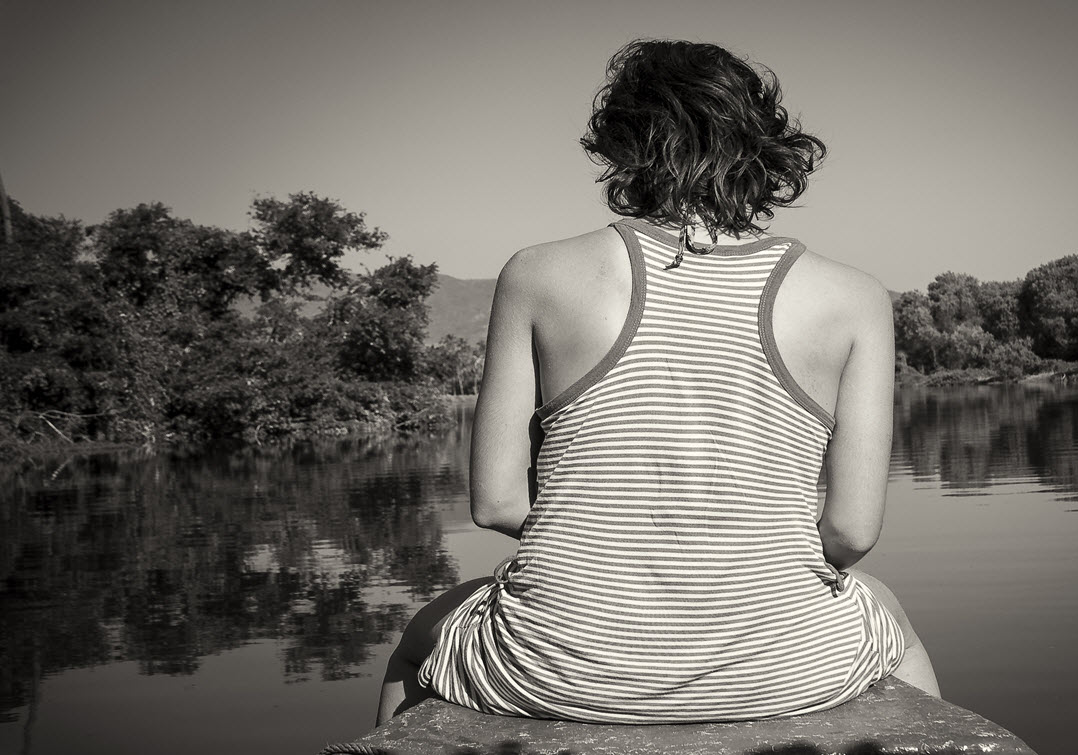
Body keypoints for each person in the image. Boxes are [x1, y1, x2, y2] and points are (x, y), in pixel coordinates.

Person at [376, 39, 938, 726]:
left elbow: (494, 504)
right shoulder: (855, 296)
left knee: (414, 646)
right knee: (893, 621)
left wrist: (619, 542)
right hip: (784, 667)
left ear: (624, 144)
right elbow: (850, 532)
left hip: (559, 668)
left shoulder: (536, 274)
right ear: (763, 144)